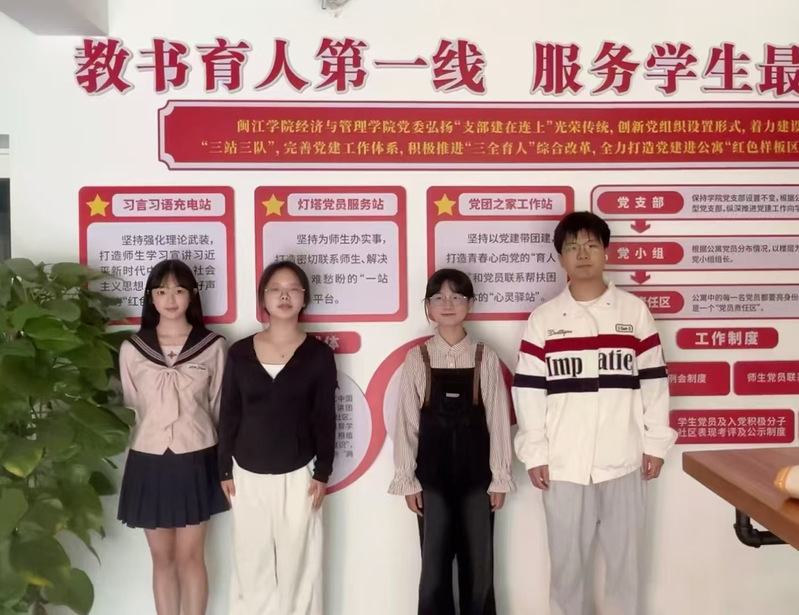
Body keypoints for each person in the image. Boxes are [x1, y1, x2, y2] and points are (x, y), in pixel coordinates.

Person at [512, 211, 677, 615]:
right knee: (566, 568)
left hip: (625, 459)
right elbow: (529, 392)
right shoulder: (544, 319)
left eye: (591, 245)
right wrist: (536, 453)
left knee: (625, 567)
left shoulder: (633, 312)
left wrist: (656, 444)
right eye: (573, 247)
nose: (582, 254)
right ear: (560, 258)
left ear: (606, 252)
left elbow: (654, 382)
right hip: (564, 465)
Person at [389, 268, 515, 615]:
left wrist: (500, 477)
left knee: (479, 568)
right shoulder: (418, 358)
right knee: (433, 569)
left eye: (457, 296)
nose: (448, 304)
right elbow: (407, 423)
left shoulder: (484, 356)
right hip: (431, 481)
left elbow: (498, 420)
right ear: (428, 306)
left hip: (478, 480)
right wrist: (407, 479)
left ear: (470, 304)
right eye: (438, 297)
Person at [218, 260, 337, 615]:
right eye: (276, 289)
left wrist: (323, 472)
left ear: (304, 298)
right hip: (246, 473)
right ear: (263, 298)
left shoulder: (319, 355)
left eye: (292, 289)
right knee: (250, 563)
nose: (284, 296)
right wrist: (224, 468)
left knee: (298, 565)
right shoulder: (240, 352)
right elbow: (229, 413)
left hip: (300, 473)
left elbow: (324, 416)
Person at [117, 259, 228, 615]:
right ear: (150, 297)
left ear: (191, 295)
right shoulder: (132, 349)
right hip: (148, 458)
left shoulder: (212, 346)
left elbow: (218, 407)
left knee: (191, 556)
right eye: (162, 291)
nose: (170, 299)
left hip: (196, 456)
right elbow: (132, 407)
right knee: (161, 557)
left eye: (179, 290)